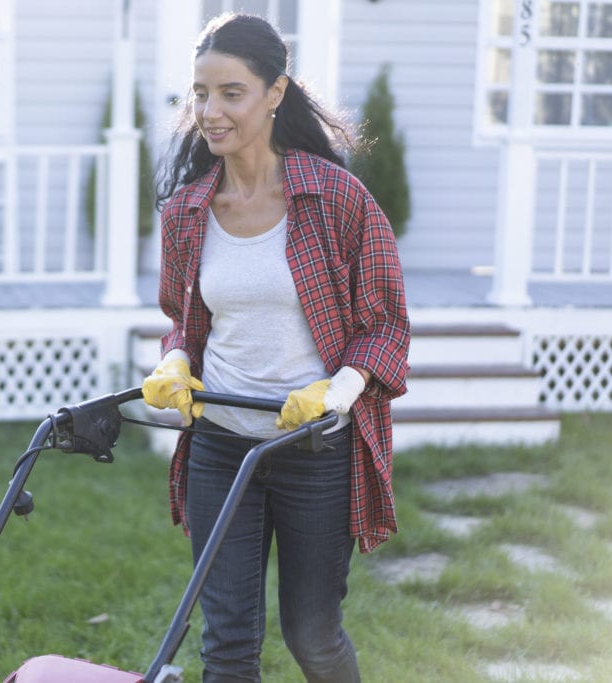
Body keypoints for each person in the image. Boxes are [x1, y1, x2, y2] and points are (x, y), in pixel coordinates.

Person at [141, 13, 410, 683]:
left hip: (312, 450)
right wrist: (175, 358)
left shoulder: (337, 200)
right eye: (200, 93)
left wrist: (337, 391)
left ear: (275, 93)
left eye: (231, 92)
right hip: (221, 445)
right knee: (226, 644)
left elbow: (386, 325)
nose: (211, 110)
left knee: (312, 635)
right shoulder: (187, 213)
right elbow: (184, 319)